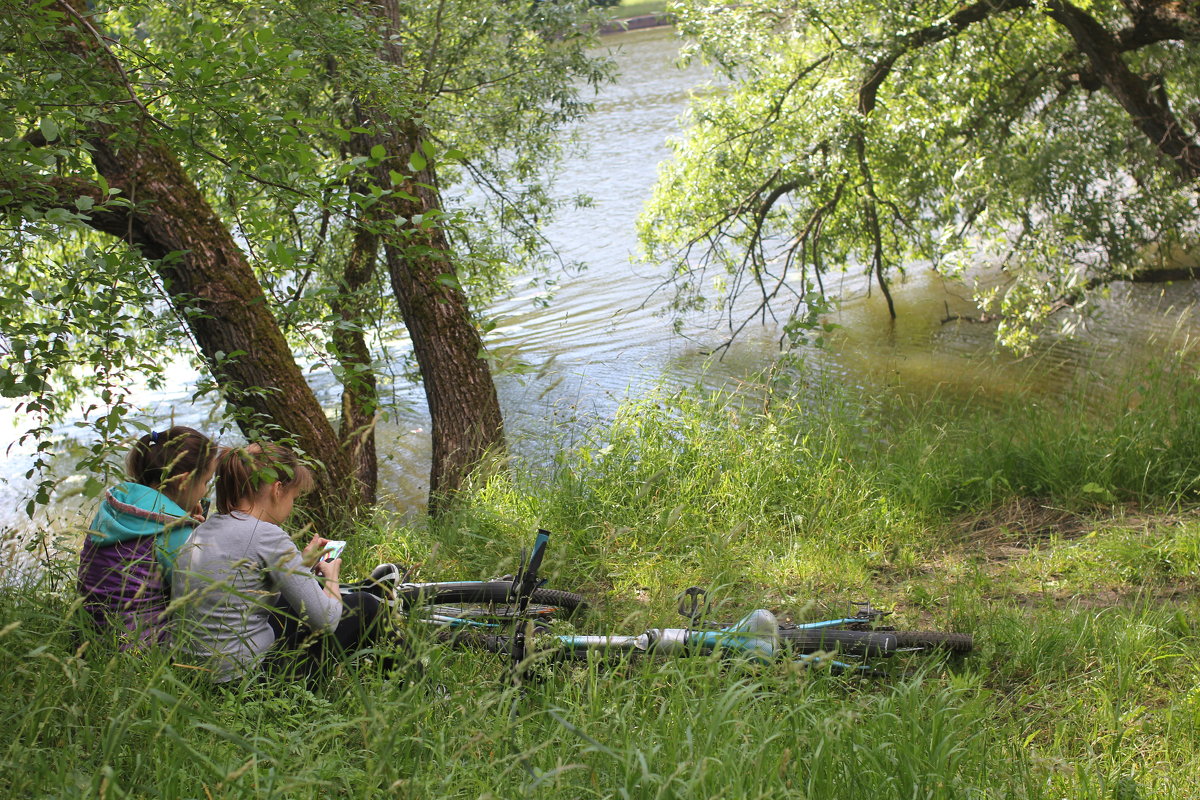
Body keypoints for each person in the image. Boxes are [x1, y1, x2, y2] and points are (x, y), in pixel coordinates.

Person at [171, 442, 385, 683]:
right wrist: (332, 573)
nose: (292, 506)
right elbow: (326, 622)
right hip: (247, 682)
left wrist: (301, 565)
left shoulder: (204, 528)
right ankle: (417, 683)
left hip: (193, 675)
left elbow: (242, 588)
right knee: (364, 605)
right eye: (293, 497)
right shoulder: (266, 535)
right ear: (277, 489)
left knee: (287, 599)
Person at [77, 426, 218, 649]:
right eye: (206, 482)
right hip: (140, 647)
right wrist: (193, 534)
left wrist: (181, 516)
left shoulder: (115, 506)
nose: (205, 491)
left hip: (90, 633)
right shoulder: (173, 530)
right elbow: (197, 597)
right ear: (183, 481)